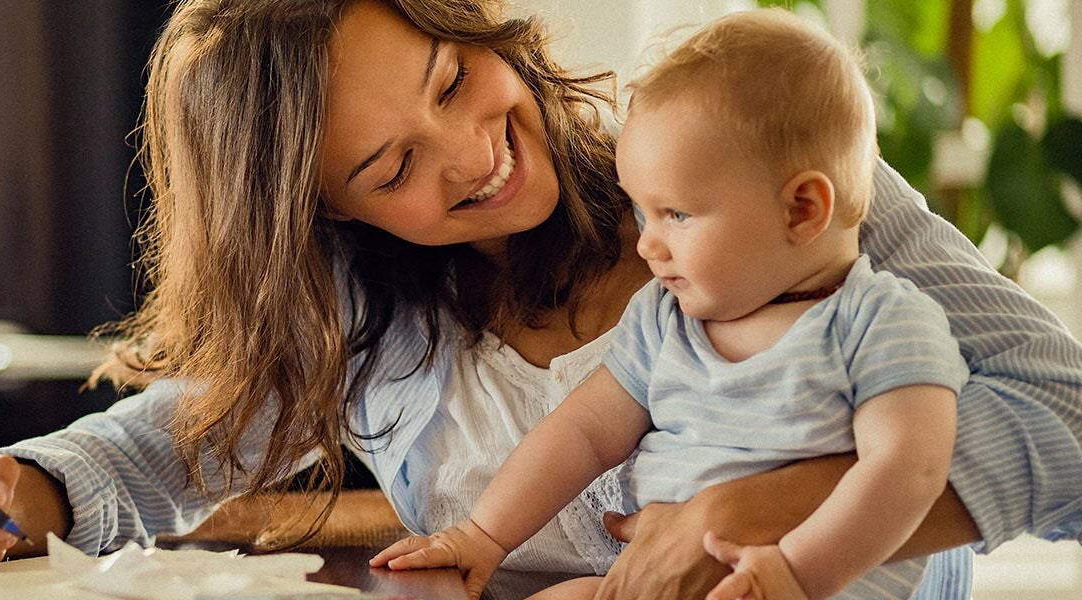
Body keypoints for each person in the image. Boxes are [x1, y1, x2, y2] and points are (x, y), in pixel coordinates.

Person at [0, 1, 1082, 598]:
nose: (472, 154)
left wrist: (774, 508)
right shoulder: (367, 306)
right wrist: (17, 489)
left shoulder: (752, 181)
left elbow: (1069, 429)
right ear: (328, 216)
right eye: (391, 167)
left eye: (455, 80)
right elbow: (178, 435)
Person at [370, 10, 965, 599]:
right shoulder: (666, 320)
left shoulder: (881, 323)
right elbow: (580, 434)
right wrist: (482, 536)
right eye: (641, 212)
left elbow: (908, 473)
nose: (648, 244)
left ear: (802, 209)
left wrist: (797, 571)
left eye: (676, 215)